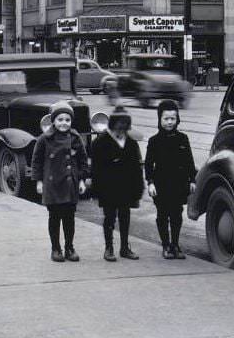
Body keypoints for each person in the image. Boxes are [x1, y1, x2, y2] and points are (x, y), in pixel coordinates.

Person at [32, 100, 89, 262]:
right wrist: (39, 182)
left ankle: (69, 247)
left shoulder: (75, 137)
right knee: (55, 217)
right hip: (52, 185)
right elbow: (36, 162)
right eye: (60, 120)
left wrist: (82, 180)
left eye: (67, 120)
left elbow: (83, 160)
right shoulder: (44, 139)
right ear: (53, 121)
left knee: (69, 218)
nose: (64, 123)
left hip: (70, 184)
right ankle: (55, 248)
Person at [145, 99, 197, 259]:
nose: (169, 122)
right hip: (160, 185)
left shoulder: (183, 138)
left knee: (176, 214)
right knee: (162, 215)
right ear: (160, 119)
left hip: (179, 184)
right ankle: (165, 245)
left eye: (172, 119)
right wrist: (150, 182)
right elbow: (148, 164)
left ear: (177, 119)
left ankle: (175, 244)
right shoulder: (154, 141)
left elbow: (189, 161)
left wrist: (192, 180)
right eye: (166, 118)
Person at [90, 105, 142, 262]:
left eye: (124, 128)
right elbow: (95, 169)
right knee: (109, 218)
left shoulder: (132, 143)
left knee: (125, 217)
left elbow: (137, 168)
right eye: (118, 127)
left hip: (126, 187)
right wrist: (96, 190)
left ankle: (125, 247)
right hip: (108, 188)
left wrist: (138, 188)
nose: (120, 132)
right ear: (112, 126)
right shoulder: (100, 142)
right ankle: (109, 248)